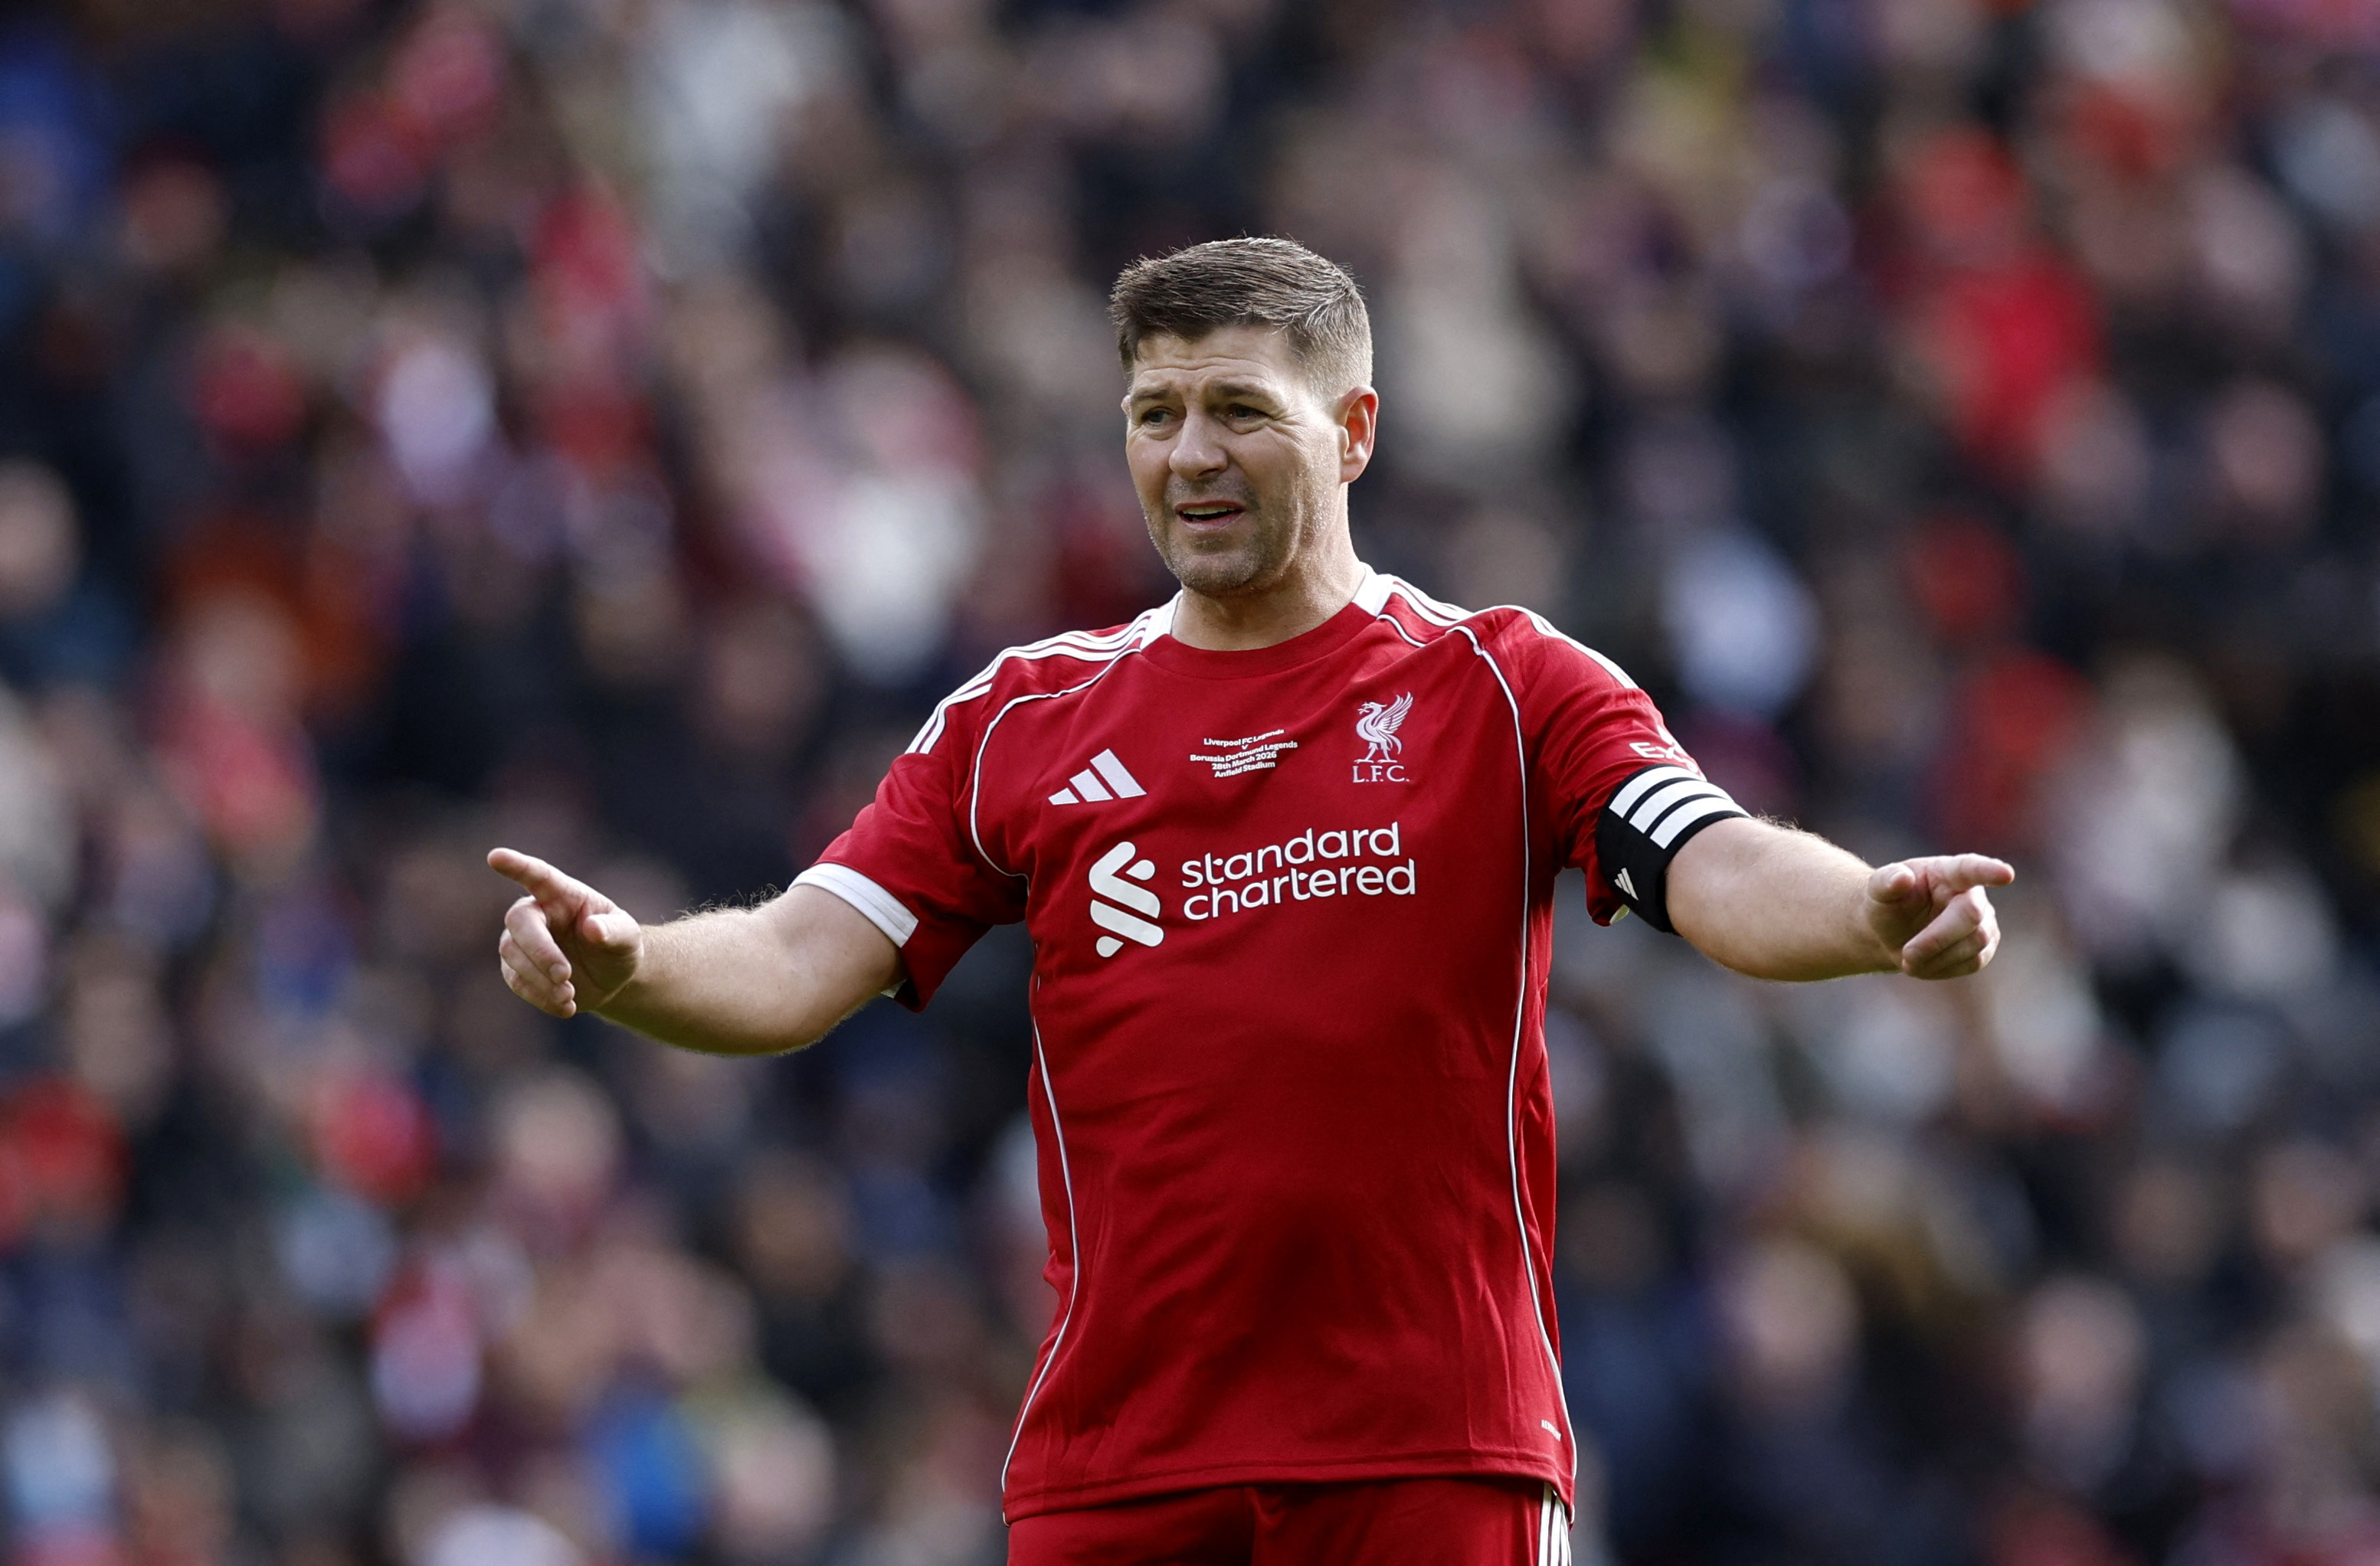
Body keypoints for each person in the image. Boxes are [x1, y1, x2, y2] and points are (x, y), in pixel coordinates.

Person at [489, 237, 2012, 1565]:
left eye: (1239, 412)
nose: (1189, 456)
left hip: (1432, 1449)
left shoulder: (1503, 682)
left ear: (1352, 431)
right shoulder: (1025, 719)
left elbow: (1713, 860)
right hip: (1122, 1466)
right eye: (1155, 415)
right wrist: (624, 966)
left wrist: (1872, 913)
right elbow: (789, 959)